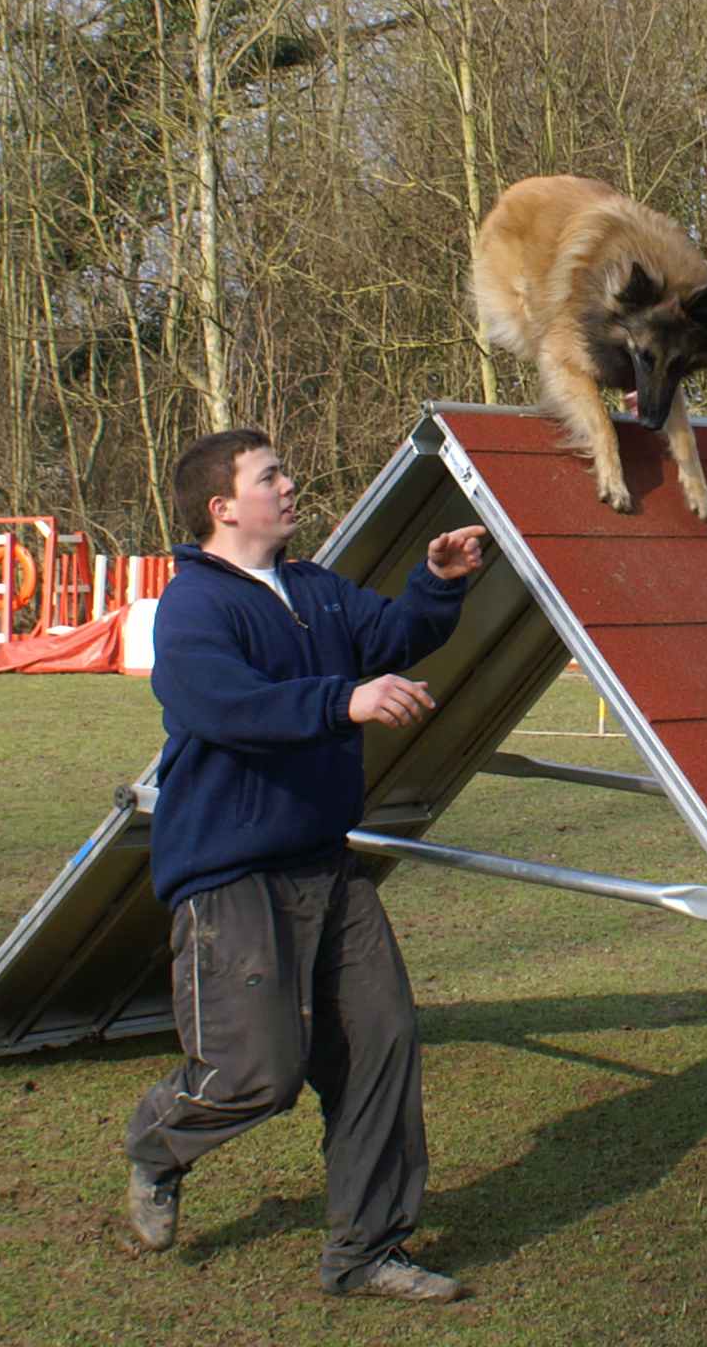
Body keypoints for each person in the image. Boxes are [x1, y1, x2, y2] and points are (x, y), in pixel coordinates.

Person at [123, 426, 489, 1303]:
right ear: (223, 507)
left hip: (327, 864)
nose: (291, 485)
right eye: (271, 475)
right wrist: (343, 700)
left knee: (379, 1045)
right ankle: (156, 1145)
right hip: (230, 873)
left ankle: (366, 1252)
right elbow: (226, 705)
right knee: (257, 1075)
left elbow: (394, 633)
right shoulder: (193, 606)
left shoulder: (315, 590)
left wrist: (437, 582)